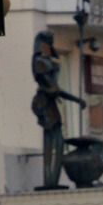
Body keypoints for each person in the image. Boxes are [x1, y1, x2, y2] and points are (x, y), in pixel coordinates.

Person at [31, 30, 85, 189]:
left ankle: (52, 180)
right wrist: (76, 99)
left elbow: (55, 88)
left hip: (50, 104)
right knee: (53, 142)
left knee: (57, 142)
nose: (50, 47)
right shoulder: (40, 62)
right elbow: (54, 88)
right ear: (43, 44)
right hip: (45, 104)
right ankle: (50, 180)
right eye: (48, 43)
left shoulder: (46, 61)